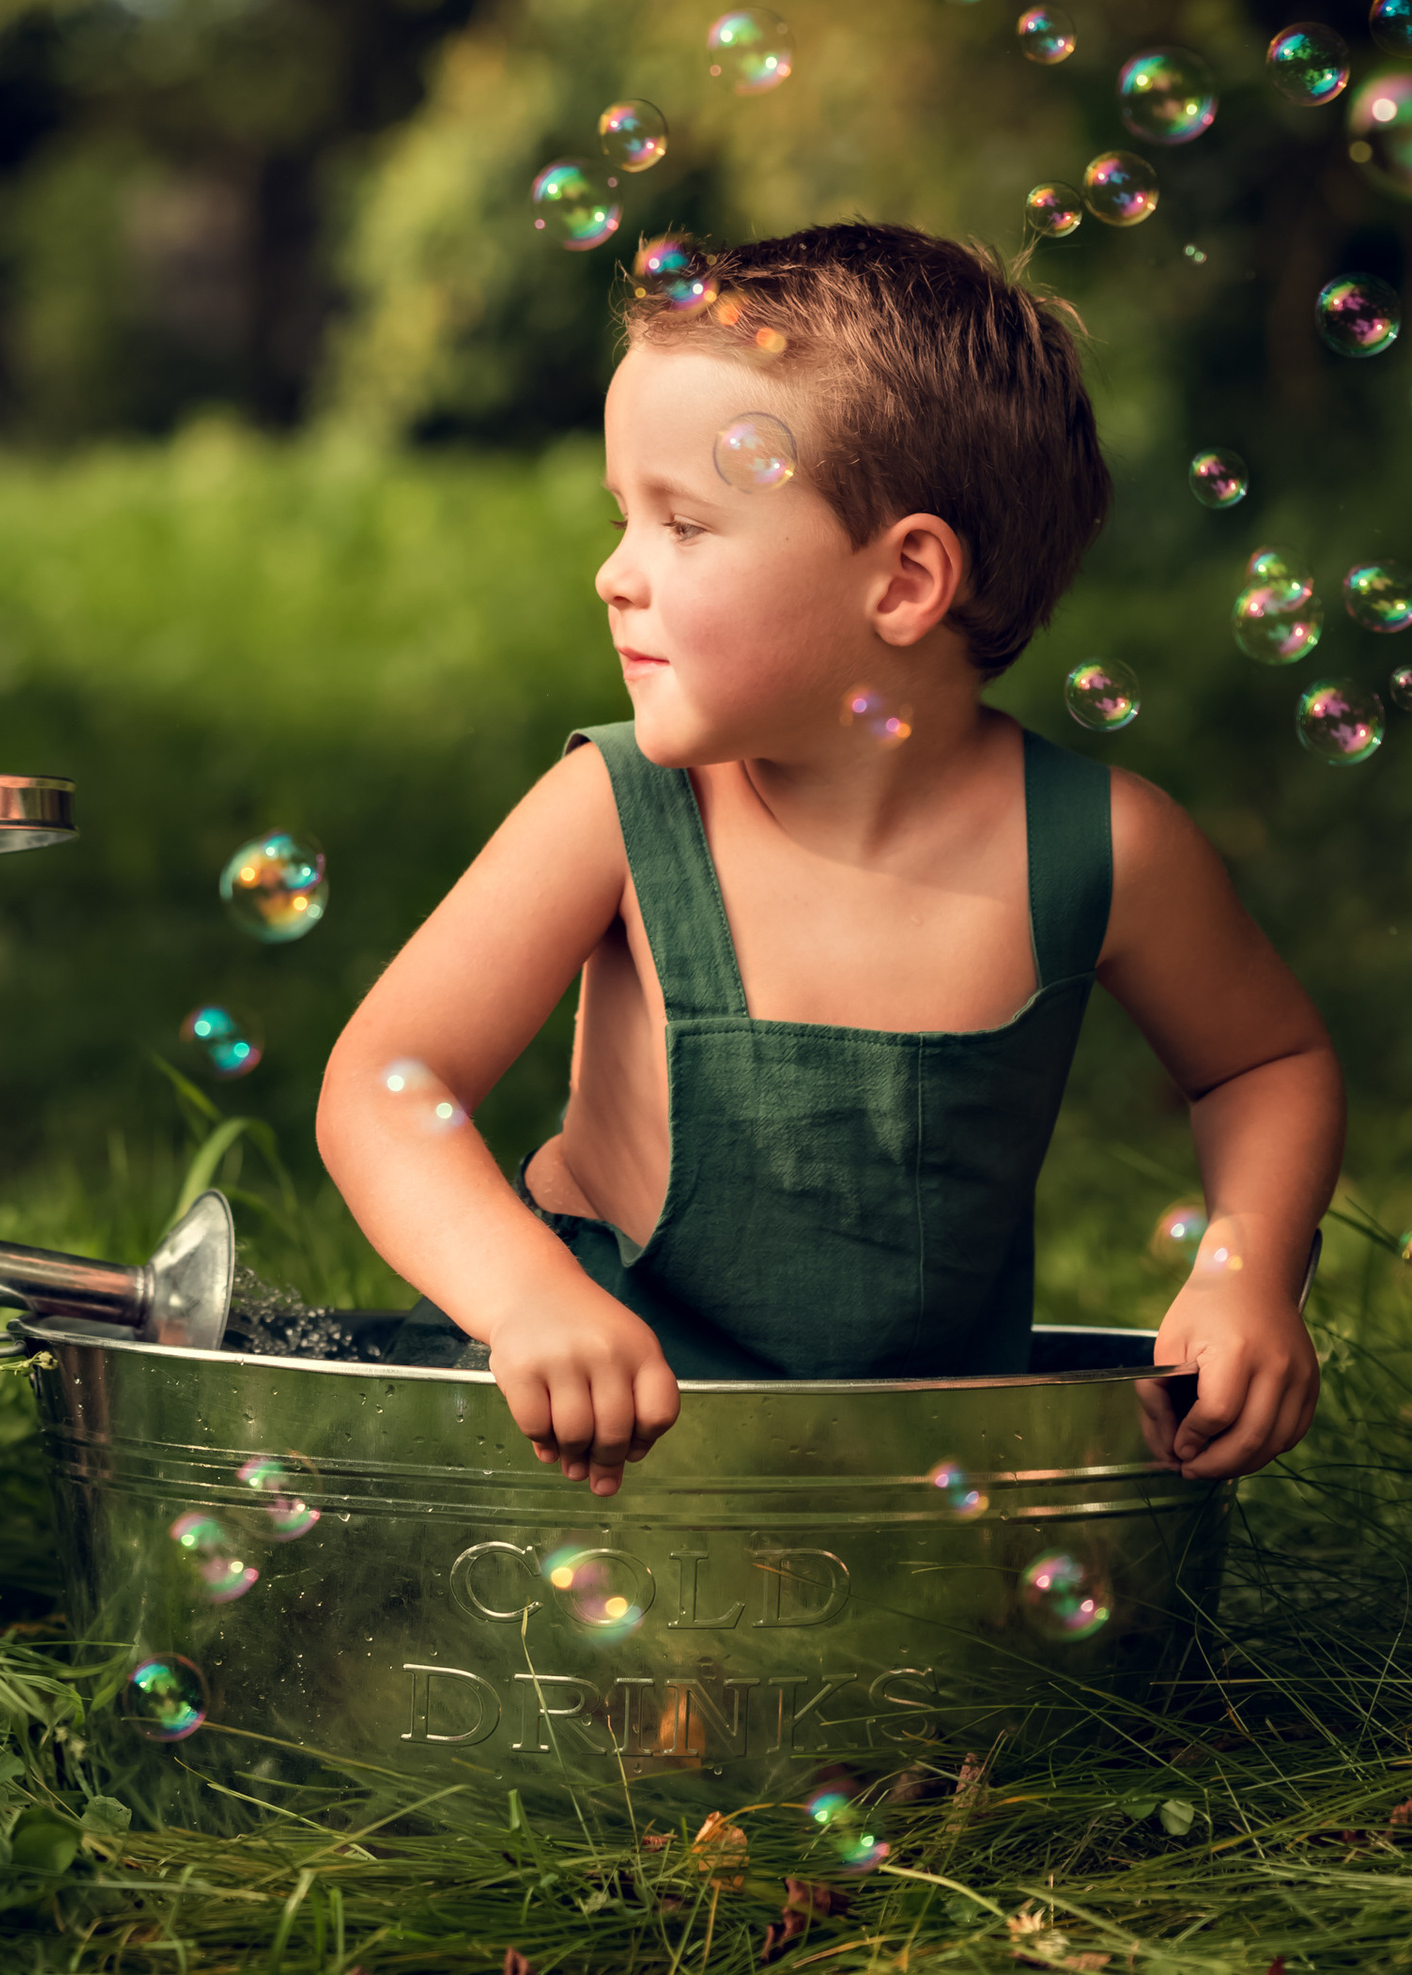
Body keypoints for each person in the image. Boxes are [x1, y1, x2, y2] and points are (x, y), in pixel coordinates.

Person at [319, 222, 1340, 1498]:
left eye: (681, 523)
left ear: (905, 578)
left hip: (904, 1477)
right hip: (582, 1443)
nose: (612, 575)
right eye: (620, 516)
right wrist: (524, 1297)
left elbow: (1265, 1060)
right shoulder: (622, 807)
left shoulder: (1098, 848)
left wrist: (1245, 1269)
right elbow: (385, 1080)